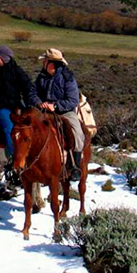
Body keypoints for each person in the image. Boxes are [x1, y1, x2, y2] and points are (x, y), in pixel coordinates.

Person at [32, 48, 84, 181]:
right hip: (42, 111)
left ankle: (74, 167)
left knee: (78, 135)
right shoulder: (41, 76)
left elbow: (73, 100)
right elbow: (32, 93)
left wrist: (55, 106)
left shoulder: (68, 78)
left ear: (52, 63)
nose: (42, 63)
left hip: (64, 112)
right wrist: (39, 102)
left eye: (45, 61)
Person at [0, 45, 37, 162]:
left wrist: (29, 104)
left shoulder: (16, 71)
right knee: (9, 128)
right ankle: (13, 157)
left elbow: (27, 86)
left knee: (30, 124)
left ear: (5, 59)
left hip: (16, 104)